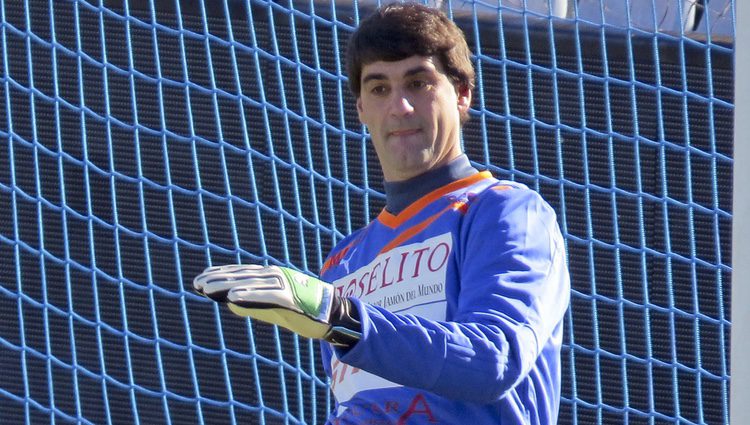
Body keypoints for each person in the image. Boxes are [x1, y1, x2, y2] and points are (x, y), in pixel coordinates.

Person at [193, 3, 570, 424]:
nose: (400, 107)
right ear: (360, 109)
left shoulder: (504, 211)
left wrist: (340, 317)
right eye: (379, 88)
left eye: (418, 83)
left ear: (462, 93)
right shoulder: (341, 261)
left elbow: (493, 359)